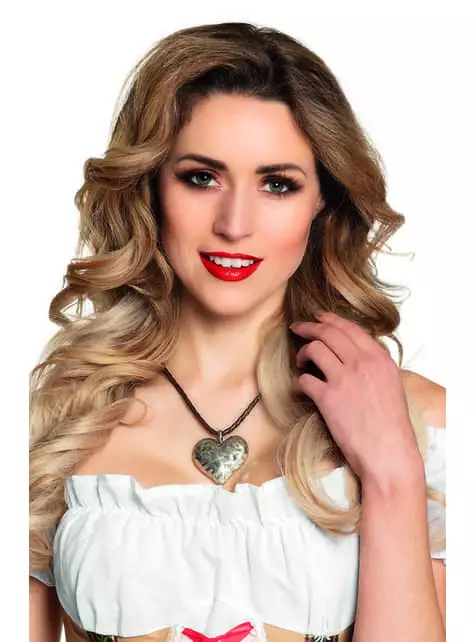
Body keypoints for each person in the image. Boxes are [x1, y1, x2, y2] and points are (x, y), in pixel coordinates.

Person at [29, 21, 446, 642]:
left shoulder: (422, 423)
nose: (234, 223)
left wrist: (391, 473)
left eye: (277, 184)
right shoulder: (58, 422)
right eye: (201, 177)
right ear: (150, 184)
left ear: (322, 200)